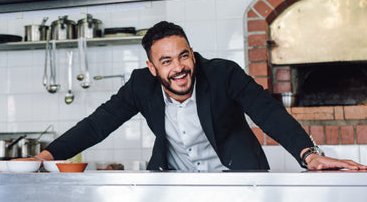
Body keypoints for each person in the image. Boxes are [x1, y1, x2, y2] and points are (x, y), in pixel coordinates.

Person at [33, 21, 366, 171]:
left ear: (192, 53)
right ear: (152, 68)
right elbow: (96, 126)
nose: (178, 68)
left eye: (183, 56)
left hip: (235, 182)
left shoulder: (222, 73)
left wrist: (309, 154)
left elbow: (267, 111)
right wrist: (44, 157)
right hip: (175, 186)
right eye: (166, 62)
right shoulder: (140, 85)